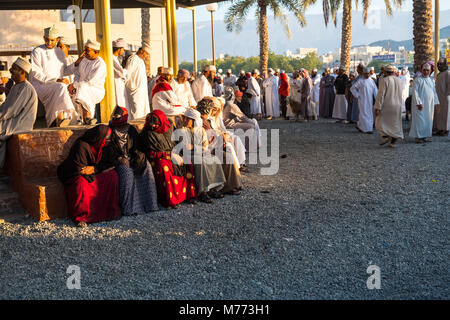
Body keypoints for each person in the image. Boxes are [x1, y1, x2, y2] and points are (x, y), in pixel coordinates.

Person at [57, 125, 121, 227]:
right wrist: (93, 170)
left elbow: (109, 163)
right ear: (98, 137)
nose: (107, 140)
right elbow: (79, 169)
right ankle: (82, 217)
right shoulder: (81, 145)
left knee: (112, 176)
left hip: (92, 172)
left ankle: (110, 212)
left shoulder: (104, 146)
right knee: (81, 183)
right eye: (106, 138)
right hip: (74, 173)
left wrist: (94, 169)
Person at [103, 106, 159, 215]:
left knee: (146, 168)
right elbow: (109, 149)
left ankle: (150, 205)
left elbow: (137, 147)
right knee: (127, 173)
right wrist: (120, 158)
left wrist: (136, 159)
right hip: (117, 160)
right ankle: (129, 209)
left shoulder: (131, 129)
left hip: (132, 157)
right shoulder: (110, 130)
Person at [139, 110, 197, 209]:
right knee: (164, 167)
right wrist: (170, 155)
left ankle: (189, 195)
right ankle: (170, 200)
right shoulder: (147, 132)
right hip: (159, 157)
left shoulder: (169, 125)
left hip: (174, 152)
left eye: (155, 124)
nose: (153, 126)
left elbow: (176, 141)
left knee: (187, 161)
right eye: (151, 124)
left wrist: (180, 151)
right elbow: (150, 153)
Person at [178, 107, 226, 203]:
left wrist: (194, 148)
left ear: (193, 120)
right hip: (187, 156)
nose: (185, 120)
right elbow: (184, 148)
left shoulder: (201, 131)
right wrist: (195, 149)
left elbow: (205, 147)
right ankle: (202, 192)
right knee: (200, 162)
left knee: (214, 159)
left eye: (188, 119)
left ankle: (213, 188)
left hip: (200, 153)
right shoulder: (182, 131)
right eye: (185, 118)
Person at [30, 26, 75, 127]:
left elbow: (65, 71)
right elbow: (36, 73)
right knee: (61, 87)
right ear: (43, 38)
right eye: (47, 40)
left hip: (56, 85)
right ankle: (61, 117)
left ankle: (57, 120)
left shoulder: (60, 52)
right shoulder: (37, 51)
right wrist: (56, 80)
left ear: (57, 40)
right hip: (41, 85)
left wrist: (76, 64)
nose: (49, 43)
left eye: (52, 40)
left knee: (62, 87)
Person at [196, 98, 242, 195]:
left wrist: (220, 138)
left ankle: (233, 184)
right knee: (225, 156)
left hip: (212, 146)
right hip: (204, 149)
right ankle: (227, 187)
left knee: (228, 154)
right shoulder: (199, 122)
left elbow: (214, 134)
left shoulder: (208, 120)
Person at [0, 58, 38, 168]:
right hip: (9, 121)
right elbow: (5, 107)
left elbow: (10, 111)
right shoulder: (15, 86)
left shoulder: (26, 88)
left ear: (22, 72)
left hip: (18, 124)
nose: (10, 71)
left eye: (14, 69)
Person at [68, 39, 107, 125]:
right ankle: (74, 119)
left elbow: (91, 81)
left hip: (95, 90)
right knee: (69, 91)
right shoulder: (84, 60)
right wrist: (74, 85)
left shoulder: (100, 63)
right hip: (81, 87)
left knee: (83, 89)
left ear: (96, 52)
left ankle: (88, 117)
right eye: (84, 49)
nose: (84, 52)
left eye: (87, 50)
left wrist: (75, 85)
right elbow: (77, 75)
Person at [374, 65, 404, 148]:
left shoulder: (384, 80)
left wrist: (377, 107)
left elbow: (381, 95)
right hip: (397, 105)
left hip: (387, 105)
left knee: (379, 122)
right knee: (395, 124)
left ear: (385, 72)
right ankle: (393, 142)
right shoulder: (399, 80)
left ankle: (385, 137)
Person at [410, 63, 440, 143]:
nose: (426, 72)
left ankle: (424, 136)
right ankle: (418, 137)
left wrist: (437, 103)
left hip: (429, 105)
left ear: (430, 71)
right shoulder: (417, 80)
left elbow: (434, 92)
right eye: (424, 70)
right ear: (421, 70)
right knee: (420, 120)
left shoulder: (431, 80)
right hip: (420, 105)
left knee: (428, 120)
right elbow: (415, 92)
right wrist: (418, 103)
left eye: (427, 70)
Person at [125, 46, 151, 120]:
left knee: (142, 112)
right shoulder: (133, 59)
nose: (146, 56)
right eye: (146, 54)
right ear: (142, 51)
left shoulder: (141, 61)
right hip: (134, 91)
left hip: (141, 92)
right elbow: (127, 73)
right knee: (136, 112)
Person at [350, 67, 378, 133]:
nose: (367, 75)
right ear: (363, 74)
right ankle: (365, 129)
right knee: (363, 113)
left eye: (368, 74)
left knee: (370, 114)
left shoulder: (371, 81)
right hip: (362, 100)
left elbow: (375, 91)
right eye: (366, 74)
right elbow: (352, 88)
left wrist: (377, 99)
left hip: (370, 100)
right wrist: (357, 95)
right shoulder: (360, 81)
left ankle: (368, 128)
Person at [434, 58, 450, 136]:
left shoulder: (448, 73)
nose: (439, 66)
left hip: (445, 97)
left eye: (441, 64)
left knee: (446, 114)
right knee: (439, 114)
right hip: (438, 97)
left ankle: (445, 129)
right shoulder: (439, 74)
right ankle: (440, 128)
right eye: (438, 64)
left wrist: (446, 95)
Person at [112, 38, 129, 109]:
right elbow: (121, 73)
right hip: (116, 85)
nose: (123, 51)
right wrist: (125, 68)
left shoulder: (115, 58)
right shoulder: (112, 58)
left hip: (119, 84)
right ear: (119, 49)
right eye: (123, 50)